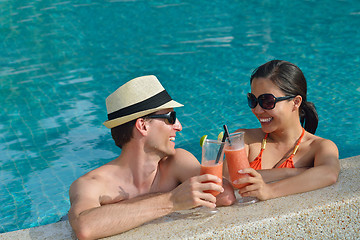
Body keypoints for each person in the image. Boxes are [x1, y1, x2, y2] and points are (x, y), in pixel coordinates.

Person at [68, 75, 235, 240]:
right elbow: (85, 227)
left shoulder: (176, 162)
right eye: (171, 118)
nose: (179, 127)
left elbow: (225, 195)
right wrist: (171, 200)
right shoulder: (91, 183)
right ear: (143, 125)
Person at [231, 60, 340, 201]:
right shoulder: (243, 139)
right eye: (253, 100)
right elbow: (232, 180)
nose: (257, 110)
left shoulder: (319, 147)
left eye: (267, 101)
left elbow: (329, 173)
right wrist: (295, 172)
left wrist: (269, 190)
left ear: (295, 102)